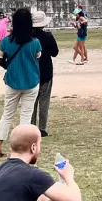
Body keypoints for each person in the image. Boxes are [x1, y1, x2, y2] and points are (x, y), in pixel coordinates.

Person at [0, 8, 42, 157]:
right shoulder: (35, 42)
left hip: (13, 81)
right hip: (31, 81)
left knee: (7, 114)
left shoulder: (7, 41)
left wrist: (9, 66)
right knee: (26, 116)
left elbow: (0, 58)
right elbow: (38, 56)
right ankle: (21, 148)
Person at [29, 9, 59, 137]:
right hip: (46, 71)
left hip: (31, 72)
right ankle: (42, 127)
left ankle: (31, 126)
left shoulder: (28, 38)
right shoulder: (47, 36)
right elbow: (55, 52)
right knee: (44, 101)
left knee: (31, 102)